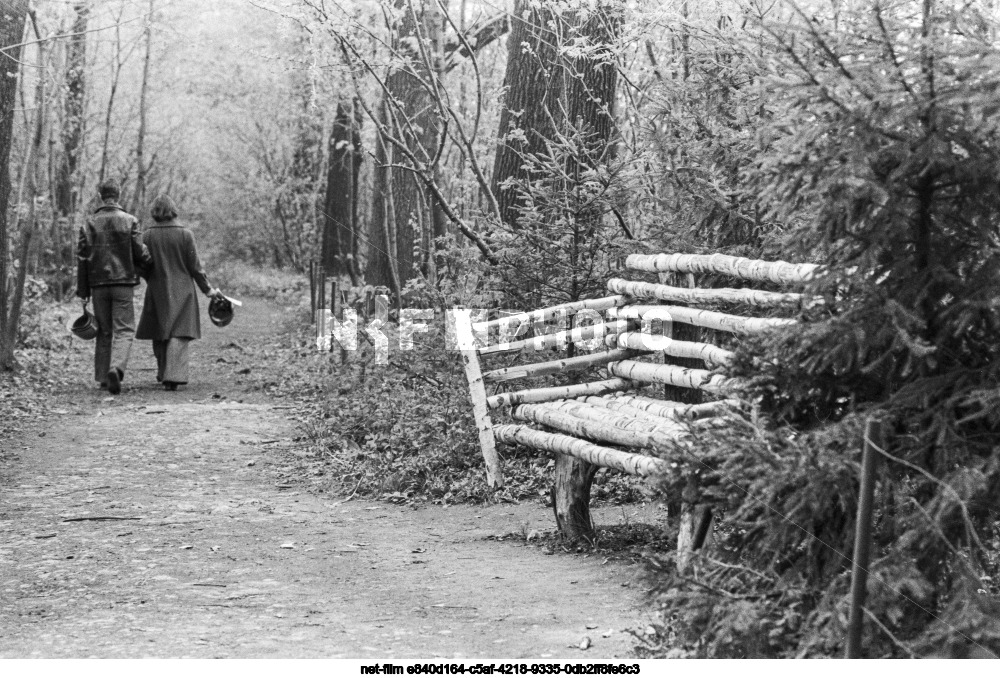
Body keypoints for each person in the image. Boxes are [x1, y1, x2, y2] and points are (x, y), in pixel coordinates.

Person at [136, 195, 222, 391]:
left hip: (157, 288)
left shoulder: (147, 235)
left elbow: (142, 266)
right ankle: (173, 375)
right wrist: (208, 290)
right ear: (173, 210)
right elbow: (195, 267)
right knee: (179, 332)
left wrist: (150, 279)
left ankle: (163, 371)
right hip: (183, 290)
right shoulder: (185, 235)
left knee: (159, 331)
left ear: (154, 212)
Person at [76, 178, 153, 395]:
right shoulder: (130, 221)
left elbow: (82, 259)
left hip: (97, 285)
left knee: (104, 330)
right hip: (123, 283)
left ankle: (102, 377)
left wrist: (83, 292)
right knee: (125, 329)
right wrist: (148, 262)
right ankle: (116, 368)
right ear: (118, 196)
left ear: (101, 196)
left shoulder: (88, 223)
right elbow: (141, 253)